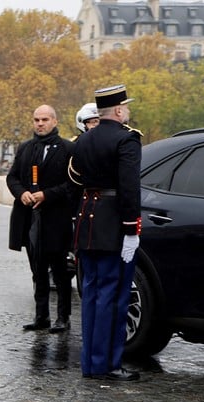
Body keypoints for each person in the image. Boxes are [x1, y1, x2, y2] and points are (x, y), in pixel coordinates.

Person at [68, 84, 142, 382]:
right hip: (113, 223)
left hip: (87, 221)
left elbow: (76, 179)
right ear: (120, 110)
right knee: (114, 296)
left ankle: (90, 362)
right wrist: (131, 228)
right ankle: (107, 364)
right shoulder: (127, 139)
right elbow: (129, 187)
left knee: (91, 295)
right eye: (127, 107)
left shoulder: (83, 141)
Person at [7, 104, 75, 333]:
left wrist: (47, 194)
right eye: (36, 119)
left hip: (56, 220)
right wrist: (22, 193)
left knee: (60, 272)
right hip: (29, 219)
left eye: (45, 119)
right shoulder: (26, 148)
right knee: (37, 270)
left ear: (55, 121)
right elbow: (12, 177)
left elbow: (73, 185)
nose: (40, 123)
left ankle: (63, 317)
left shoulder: (68, 148)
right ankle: (41, 317)